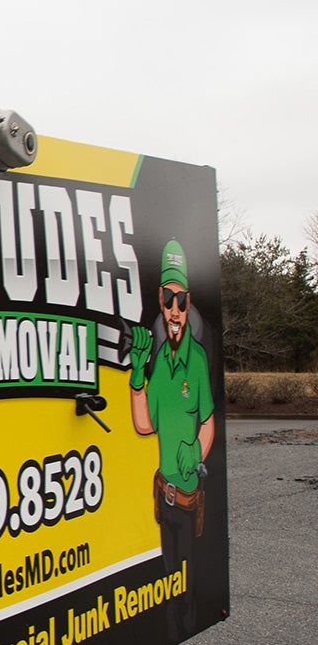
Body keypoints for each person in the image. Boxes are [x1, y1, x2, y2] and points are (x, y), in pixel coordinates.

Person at [128, 238, 215, 575]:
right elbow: (145, 425)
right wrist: (137, 379)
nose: (174, 309)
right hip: (163, 496)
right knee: (167, 582)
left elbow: (207, 421)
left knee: (187, 585)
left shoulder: (197, 360)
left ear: (188, 302)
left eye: (180, 300)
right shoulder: (160, 361)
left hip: (190, 499)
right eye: (168, 299)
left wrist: (197, 451)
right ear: (160, 301)